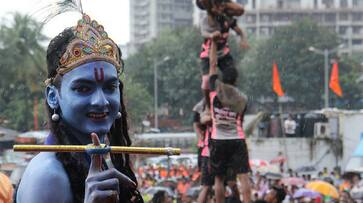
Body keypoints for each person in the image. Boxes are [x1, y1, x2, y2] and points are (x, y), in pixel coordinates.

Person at [16, 14, 143, 203]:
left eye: (110, 87)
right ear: (53, 96)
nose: (101, 101)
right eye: (83, 88)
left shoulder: (92, 160)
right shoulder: (48, 176)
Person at [208, 42, 251, 203]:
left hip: (218, 139)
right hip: (237, 139)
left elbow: (212, 65)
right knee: (243, 176)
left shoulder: (215, 89)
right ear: (236, 80)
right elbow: (241, 120)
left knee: (219, 179)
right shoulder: (243, 99)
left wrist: (213, 43)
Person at [200, 2, 248, 111]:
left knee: (231, 73)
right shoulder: (206, 20)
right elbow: (204, 33)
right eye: (218, 6)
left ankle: (229, 99)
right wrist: (212, 35)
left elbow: (239, 31)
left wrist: (243, 40)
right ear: (212, 8)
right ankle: (208, 106)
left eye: (222, 6)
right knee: (207, 80)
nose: (221, 9)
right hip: (208, 54)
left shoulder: (227, 18)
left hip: (224, 53)